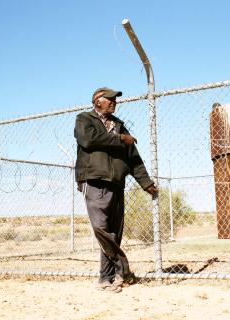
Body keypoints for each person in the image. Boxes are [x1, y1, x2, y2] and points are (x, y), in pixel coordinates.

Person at [74, 87, 158, 293]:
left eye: (115, 100)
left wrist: (145, 182)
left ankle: (107, 278)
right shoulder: (84, 119)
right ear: (97, 101)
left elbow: (133, 158)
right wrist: (120, 139)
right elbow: (89, 140)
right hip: (93, 180)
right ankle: (123, 268)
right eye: (109, 99)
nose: (113, 102)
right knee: (101, 229)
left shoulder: (119, 125)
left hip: (117, 183)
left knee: (114, 231)